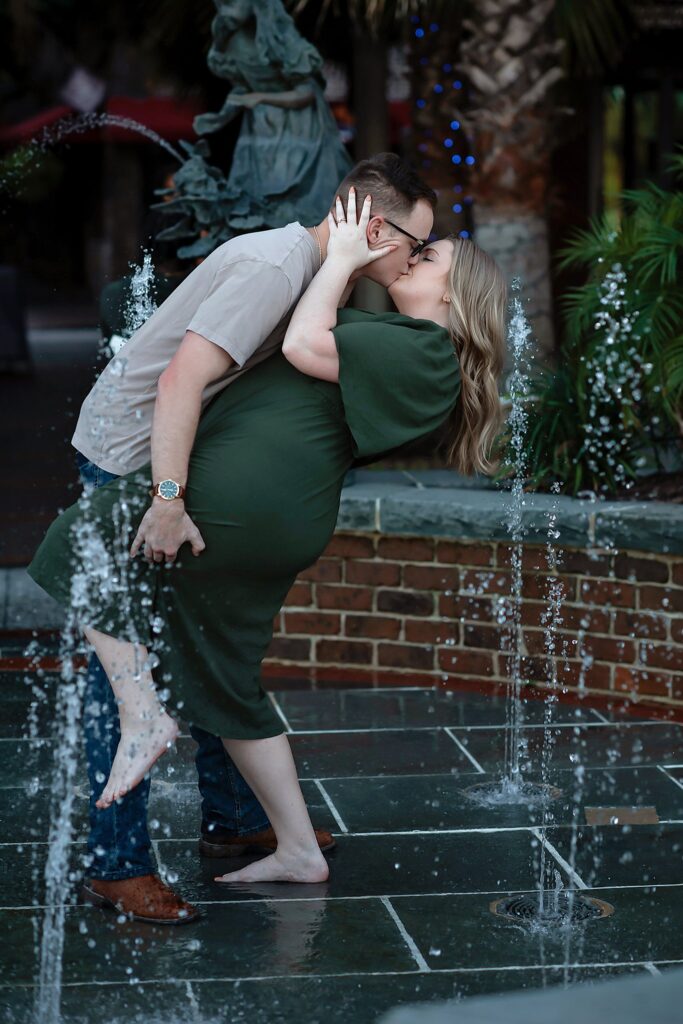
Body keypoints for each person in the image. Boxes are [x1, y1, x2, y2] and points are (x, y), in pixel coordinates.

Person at [28, 189, 507, 897]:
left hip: (239, 502)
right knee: (227, 681)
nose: (411, 256)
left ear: (458, 293)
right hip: (272, 513)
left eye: (428, 255)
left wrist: (341, 260)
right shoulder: (407, 346)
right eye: (418, 242)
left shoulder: (427, 351)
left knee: (81, 543)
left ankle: (142, 717)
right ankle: (291, 848)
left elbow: (299, 344)